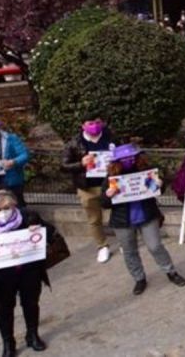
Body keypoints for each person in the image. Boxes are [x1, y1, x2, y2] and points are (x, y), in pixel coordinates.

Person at [0, 190, 52, 355]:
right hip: (0, 276)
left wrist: (40, 229)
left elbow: (50, 233)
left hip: (28, 270)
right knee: (4, 309)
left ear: (14, 205)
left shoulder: (28, 217)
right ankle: (8, 342)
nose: (3, 213)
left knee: (31, 303)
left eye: (7, 208)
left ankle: (32, 335)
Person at [102, 144, 185, 295]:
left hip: (147, 215)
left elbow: (157, 188)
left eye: (131, 158)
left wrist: (160, 185)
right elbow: (103, 203)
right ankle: (139, 278)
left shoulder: (145, 171)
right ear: (117, 161)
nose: (128, 161)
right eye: (124, 159)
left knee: (155, 246)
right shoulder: (111, 178)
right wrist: (108, 195)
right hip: (123, 221)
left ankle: (171, 272)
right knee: (130, 251)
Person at [60, 113, 116, 264]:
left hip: (111, 184)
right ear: (82, 125)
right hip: (87, 187)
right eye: (90, 123)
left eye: (97, 122)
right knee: (94, 219)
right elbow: (63, 165)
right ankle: (102, 246)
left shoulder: (111, 137)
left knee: (118, 214)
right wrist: (81, 164)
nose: (95, 125)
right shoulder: (74, 143)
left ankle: (125, 241)